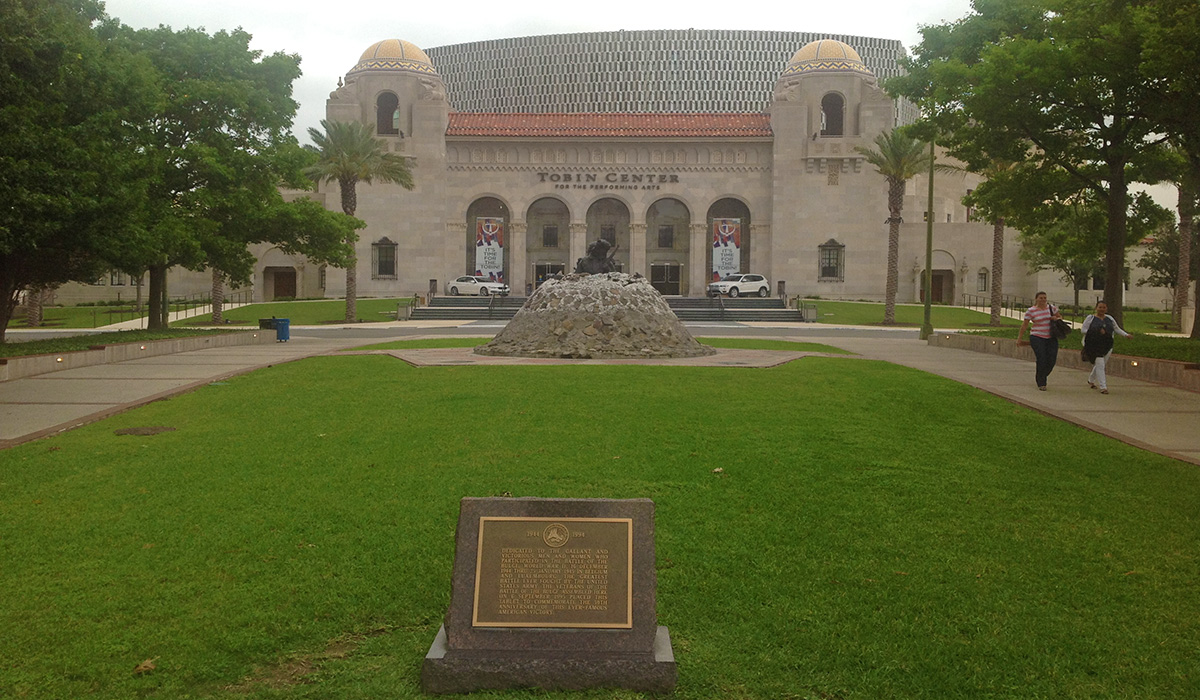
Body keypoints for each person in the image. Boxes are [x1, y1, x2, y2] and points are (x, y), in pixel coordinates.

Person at [1081, 301, 1132, 394]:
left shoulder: (1109, 319)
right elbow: (1083, 330)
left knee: (1101, 363)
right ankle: (1103, 387)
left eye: (1104, 307)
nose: (1102, 309)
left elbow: (1116, 329)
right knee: (1100, 364)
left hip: (1107, 344)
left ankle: (1091, 379)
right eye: (1100, 307)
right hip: (1094, 345)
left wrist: (1125, 335)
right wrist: (1096, 331)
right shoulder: (1090, 318)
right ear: (1096, 308)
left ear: (1106, 308)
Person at [1017, 291, 1063, 391]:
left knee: (1051, 360)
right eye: (1041, 298)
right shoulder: (1031, 311)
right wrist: (1020, 338)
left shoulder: (1052, 308)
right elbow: (1025, 324)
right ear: (1036, 299)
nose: (1043, 300)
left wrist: (1056, 318)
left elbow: (1060, 317)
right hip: (1037, 336)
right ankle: (1041, 382)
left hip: (1051, 336)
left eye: (1044, 298)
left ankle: (1041, 375)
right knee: (1041, 358)